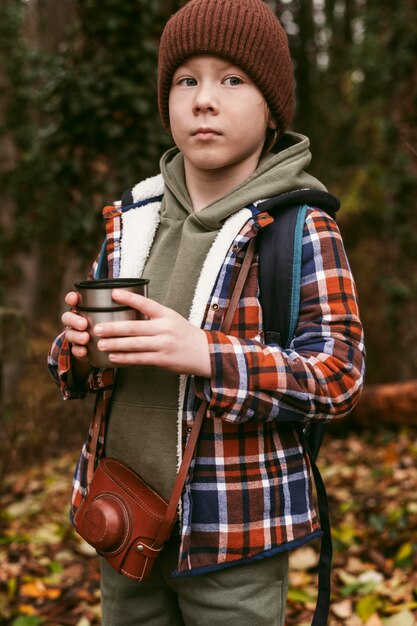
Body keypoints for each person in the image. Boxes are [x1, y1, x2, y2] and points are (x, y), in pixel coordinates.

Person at [48, 0, 365, 624]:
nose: (204, 100)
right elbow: (74, 366)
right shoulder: (131, 223)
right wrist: (77, 351)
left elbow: (339, 376)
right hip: (122, 521)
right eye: (186, 80)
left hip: (235, 536)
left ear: (271, 106)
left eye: (233, 79)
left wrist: (207, 355)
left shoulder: (300, 228)